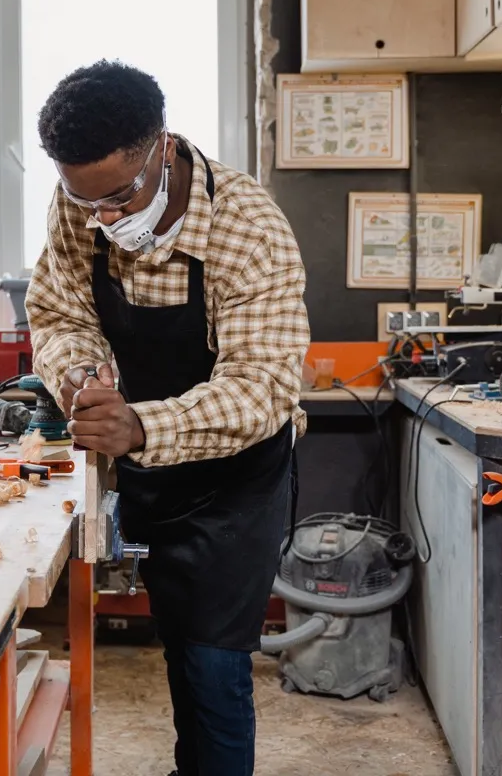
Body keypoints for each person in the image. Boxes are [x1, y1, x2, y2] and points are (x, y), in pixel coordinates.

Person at [25, 60, 310, 776]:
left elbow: (263, 386)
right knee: (169, 637)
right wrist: (82, 377)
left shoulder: (248, 227)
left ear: (163, 147)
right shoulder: (80, 206)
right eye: (85, 201)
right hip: (145, 464)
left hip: (233, 480)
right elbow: (59, 314)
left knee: (209, 662)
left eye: (120, 196)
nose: (105, 219)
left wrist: (142, 428)